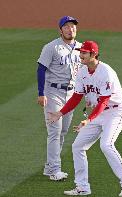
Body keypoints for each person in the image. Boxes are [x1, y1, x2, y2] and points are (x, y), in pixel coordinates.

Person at [47, 40, 122, 197]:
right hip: (98, 114)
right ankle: (82, 187)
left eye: (84, 53)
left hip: (116, 112)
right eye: (80, 52)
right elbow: (76, 97)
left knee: (106, 145)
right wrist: (60, 113)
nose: (80, 55)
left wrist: (88, 120)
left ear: (94, 54)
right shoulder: (82, 72)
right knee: (78, 146)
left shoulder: (106, 72)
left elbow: (104, 101)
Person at [37, 16, 81, 181]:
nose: (71, 29)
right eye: (67, 26)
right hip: (53, 93)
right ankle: (55, 170)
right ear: (60, 30)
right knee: (55, 131)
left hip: (71, 94)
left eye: (73, 27)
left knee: (63, 131)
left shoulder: (81, 48)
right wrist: (41, 93)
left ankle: (50, 167)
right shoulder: (51, 47)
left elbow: (83, 72)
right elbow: (41, 69)